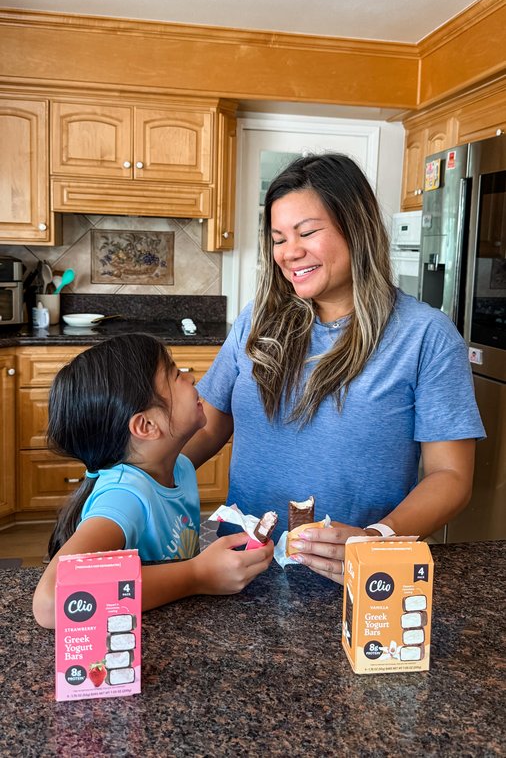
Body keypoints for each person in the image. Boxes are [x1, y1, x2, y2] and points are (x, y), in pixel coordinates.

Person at [183, 152, 485, 584]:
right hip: (239, 569)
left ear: (355, 228)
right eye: (279, 238)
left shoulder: (426, 337)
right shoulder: (256, 322)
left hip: (355, 580)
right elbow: (210, 426)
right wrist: (138, 478)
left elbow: (451, 475)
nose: (290, 253)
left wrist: (375, 540)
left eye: (307, 232)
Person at [32, 333, 273, 629]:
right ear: (146, 425)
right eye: (174, 375)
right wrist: (197, 575)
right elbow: (50, 602)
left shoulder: (179, 468)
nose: (190, 377)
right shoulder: (125, 495)